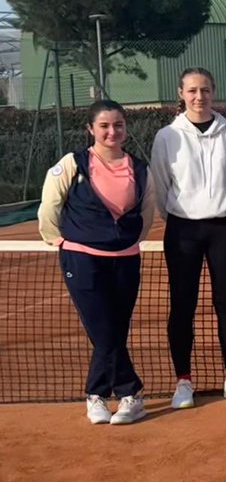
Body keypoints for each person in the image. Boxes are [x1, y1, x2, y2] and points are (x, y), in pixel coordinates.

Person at [38, 100, 157, 425]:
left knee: (115, 329)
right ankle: (120, 392)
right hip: (82, 258)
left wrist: (132, 240)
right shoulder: (73, 164)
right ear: (91, 129)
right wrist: (58, 240)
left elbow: (147, 210)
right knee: (102, 328)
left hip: (126, 260)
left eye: (118, 124)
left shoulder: (139, 168)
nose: (112, 131)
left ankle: (109, 395)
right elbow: (50, 204)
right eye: (104, 125)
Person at [150, 67, 226, 409]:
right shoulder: (166, 137)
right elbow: (161, 185)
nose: (199, 96)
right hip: (182, 232)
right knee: (182, 305)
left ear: (213, 92)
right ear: (181, 93)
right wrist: (179, 215)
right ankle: (183, 381)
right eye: (192, 90)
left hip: (225, 229)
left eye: (205, 90)